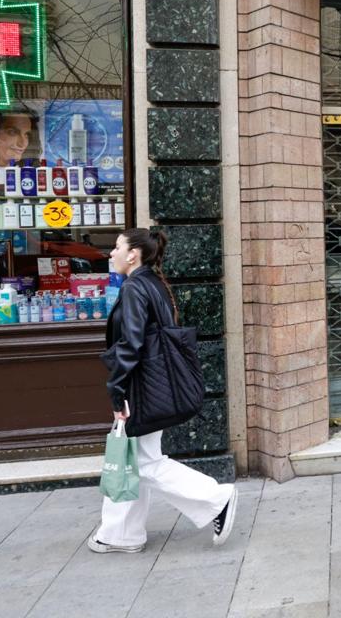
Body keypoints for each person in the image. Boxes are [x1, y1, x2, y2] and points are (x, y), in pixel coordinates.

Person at [90, 228, 237, 554]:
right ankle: (122, 534)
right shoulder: (153, 284)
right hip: (152, 385)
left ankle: (216, 498)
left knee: (144, 462)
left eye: (117, 247)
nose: (111, 254)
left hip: (140, 386)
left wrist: (117, 389)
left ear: (133, 254)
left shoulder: (134, 289)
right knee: (136, 458)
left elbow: (132, 344)